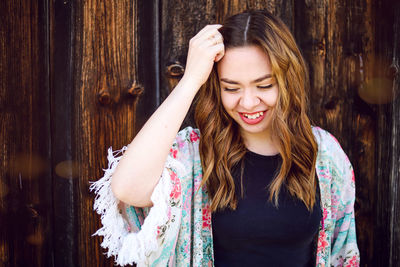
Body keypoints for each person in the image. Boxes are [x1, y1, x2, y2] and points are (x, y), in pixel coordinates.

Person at [90, 10, 360, 267]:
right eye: (231, 87)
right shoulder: (194, 154)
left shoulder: (324, 154)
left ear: (287, 81)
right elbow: (127, 188)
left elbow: (343, 255)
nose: (249, 102)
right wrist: (191, 80)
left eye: (264, 85)